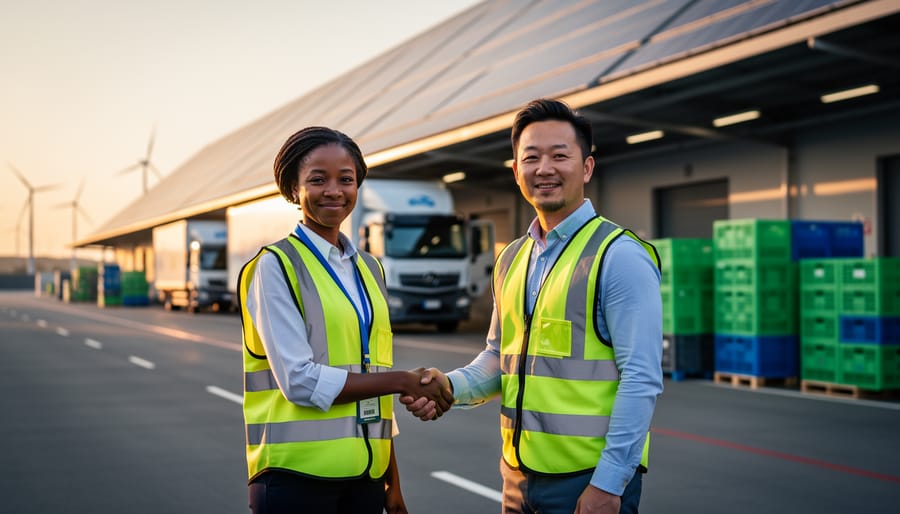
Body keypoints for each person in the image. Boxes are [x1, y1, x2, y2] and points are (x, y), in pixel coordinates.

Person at [402, 98, 663, 514]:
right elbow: (497, 357)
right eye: (531, 157)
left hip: (587, 482)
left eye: (560, 156)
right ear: (516, 171)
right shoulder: (511, 259)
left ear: (587, 168)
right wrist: (448, 386)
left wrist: (610, 484)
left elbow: (642, 379)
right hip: (517, 477)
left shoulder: (620, 256)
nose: (545, 168)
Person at [238, 126, 454, 514]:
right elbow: (299, 381)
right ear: (293, 189)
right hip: (295, 482)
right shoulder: (276, 266)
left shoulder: (370, 269)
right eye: (317, 180)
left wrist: (392, 482)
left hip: (365, 479)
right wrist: (403, 380)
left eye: (347, 179)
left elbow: (372, 375)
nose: (334, 191)